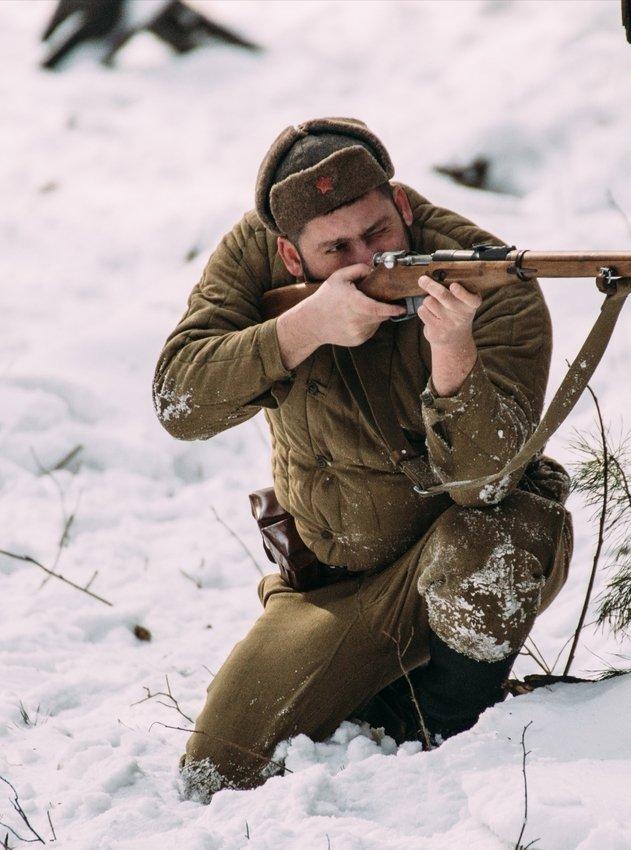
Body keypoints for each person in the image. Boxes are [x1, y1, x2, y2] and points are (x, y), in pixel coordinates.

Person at [152, 117, 573, 801]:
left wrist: (453, 358)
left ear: (402, 204)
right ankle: (375, 693)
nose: (370, 256)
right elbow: (178, 401)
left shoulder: (487, 277)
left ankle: (442, 719)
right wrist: (303, 327)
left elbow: (486, 484)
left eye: (379, 232)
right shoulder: (255, 258)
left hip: (452, 550)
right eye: (336, 247)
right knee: (214, 774)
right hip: (328, 585)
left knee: (499, 543)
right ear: (291, 259)